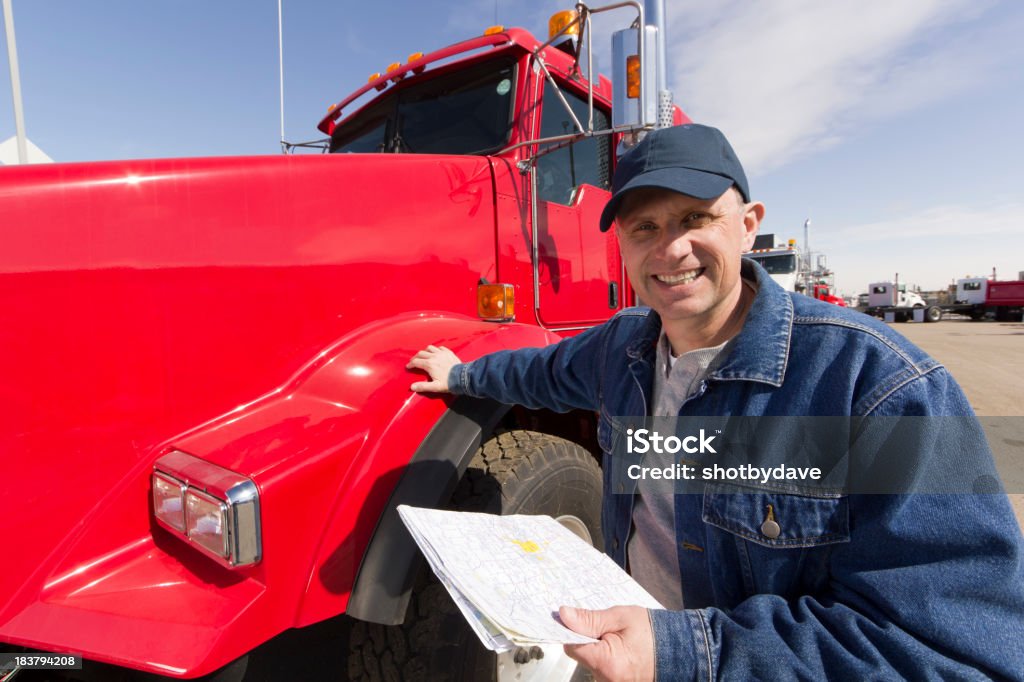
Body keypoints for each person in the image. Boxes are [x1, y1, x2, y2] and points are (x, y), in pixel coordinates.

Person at [407, 124, 1024, 680]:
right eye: (644, 227)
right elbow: (537, 372)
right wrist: (460, 375)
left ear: (749, 223)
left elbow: (950, 651)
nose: (670, 249)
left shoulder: (876, 384)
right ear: (620, 243)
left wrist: (685, 653)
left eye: (696, 219)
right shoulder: (623, 347)